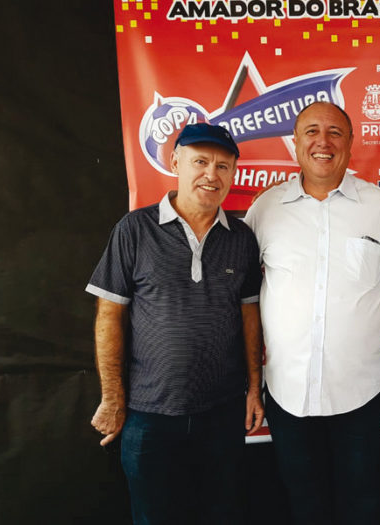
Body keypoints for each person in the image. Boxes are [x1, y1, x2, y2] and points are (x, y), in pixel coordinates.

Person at [244, 101, 380, 524]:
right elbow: (243, 292)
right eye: (311, 131)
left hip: (360, 391)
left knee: (362, 498)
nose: (323, 142)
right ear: (295, 143)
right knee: (304, 500)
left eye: (335, 132)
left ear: (351, 143)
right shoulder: (264, 210)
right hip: (288, 392)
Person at [86, 123, 264, 524]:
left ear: (234, 173)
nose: (211, 175)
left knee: (223, 513)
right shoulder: (134, 229)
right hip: (149, 415)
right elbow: (109, 315)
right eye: (200, 162)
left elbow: (249, 316)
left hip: (223, 411)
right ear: (175, 162)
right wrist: (113, 398)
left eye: (223, 166)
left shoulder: (242, 238)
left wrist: (255, 388)